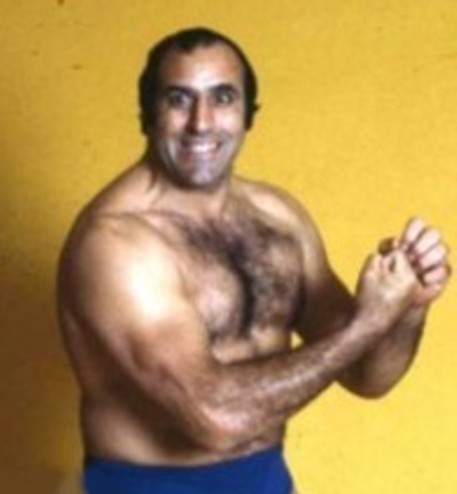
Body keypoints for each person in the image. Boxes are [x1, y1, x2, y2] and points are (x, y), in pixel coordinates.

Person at [57, 27, 451, 494]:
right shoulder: (114, 243)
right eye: (179, 99)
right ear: (148, 114)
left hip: (265, 480)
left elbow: (367, 375)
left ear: (247, 114)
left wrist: (408, 306)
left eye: (223, 97)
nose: (202, 122)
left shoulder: (279, 219)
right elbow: (214, 418)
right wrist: (368, 323)